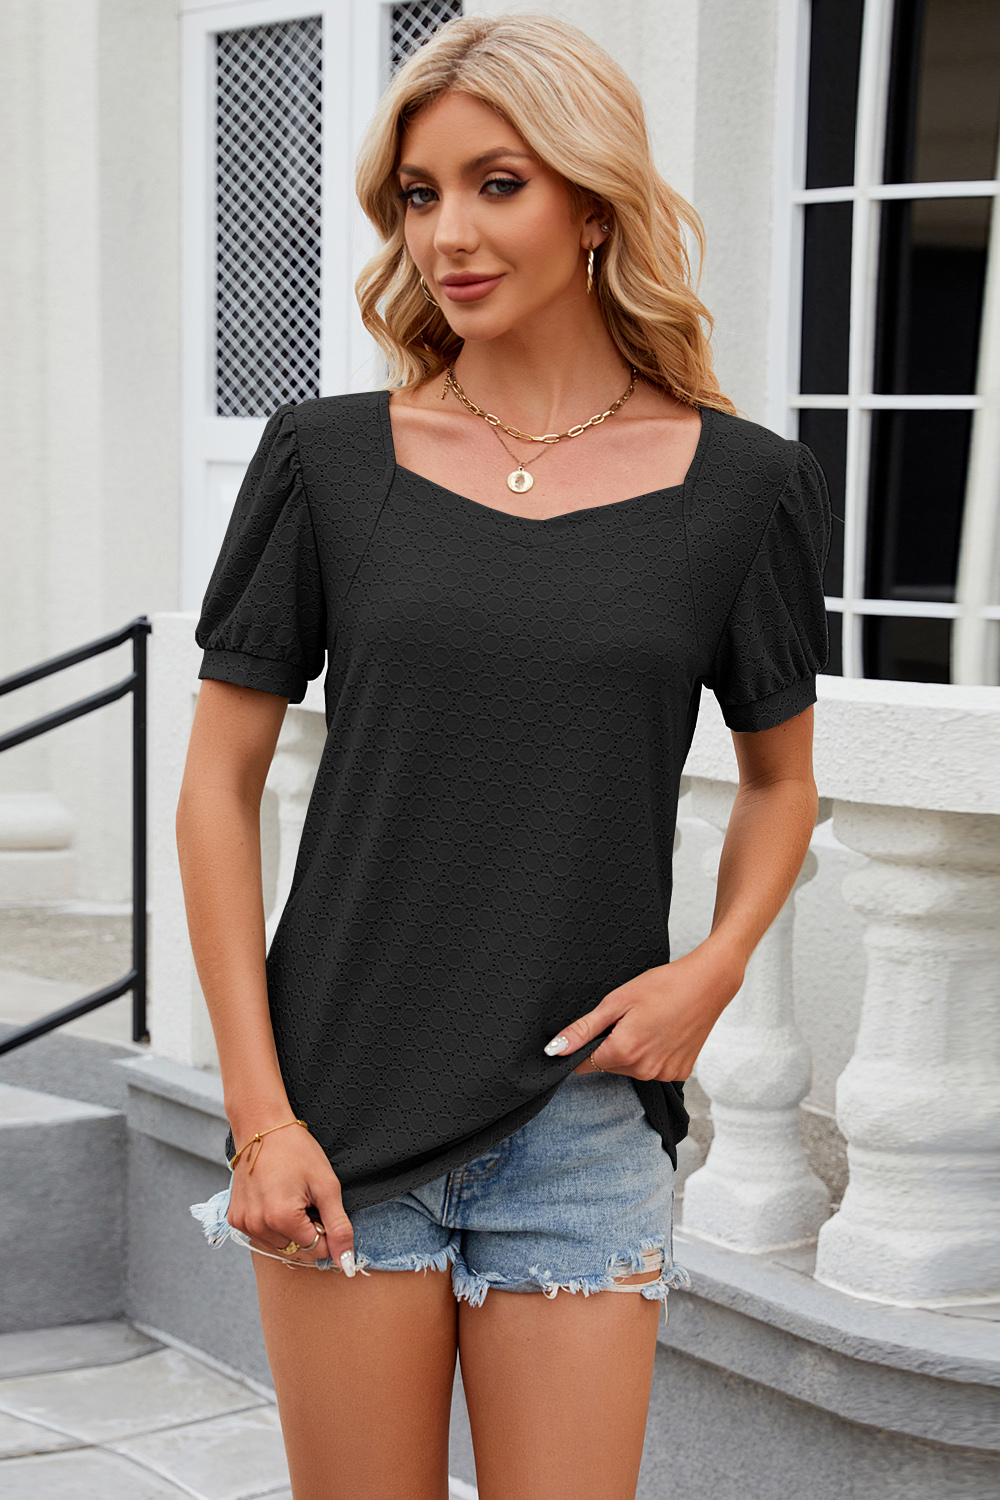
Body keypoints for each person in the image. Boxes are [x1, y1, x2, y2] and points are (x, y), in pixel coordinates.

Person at [179, 13, 831, 1500]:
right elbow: (216, 788)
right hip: (337, 1107)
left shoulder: (746, 489)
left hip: (583, 1120)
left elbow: (783, 779)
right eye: (420, 195)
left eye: (498, 185)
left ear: (595, 206)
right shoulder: (328, 461)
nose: (448, 236)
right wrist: (260, 1116)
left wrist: (717, 965)